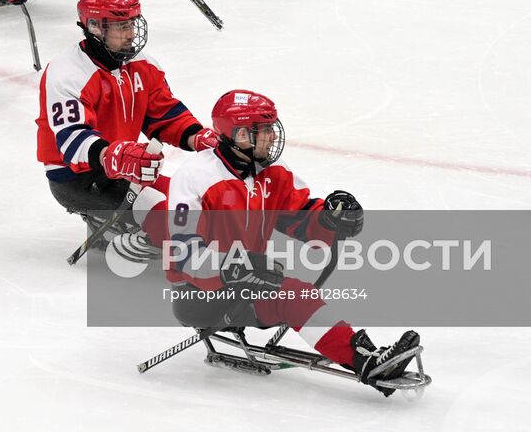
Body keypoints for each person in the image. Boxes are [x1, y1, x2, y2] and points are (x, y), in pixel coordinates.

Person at [152, 89, 422, 395]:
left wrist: (333, 219)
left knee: (294, 292)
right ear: (238, 134)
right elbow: (183, 254)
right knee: (294, 294)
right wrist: (236, 264)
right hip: (198, 297)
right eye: (262, 130)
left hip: (244, 285)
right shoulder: (196, 176)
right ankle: (367, 362)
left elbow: (304, 219)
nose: (270, 137)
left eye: (270, 129)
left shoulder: (272, 174)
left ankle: (366, 355)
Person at [35, 0, 216, 226]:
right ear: (95, 27)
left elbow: (164, 115)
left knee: (194, 202)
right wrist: (113, 155)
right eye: (122, 26)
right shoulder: (67, 72)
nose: (131, 33)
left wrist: (198, 137)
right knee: (168, 216)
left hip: (124, 169)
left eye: (131, 24)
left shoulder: (143, 65)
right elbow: (72, 139)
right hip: (77, 177)